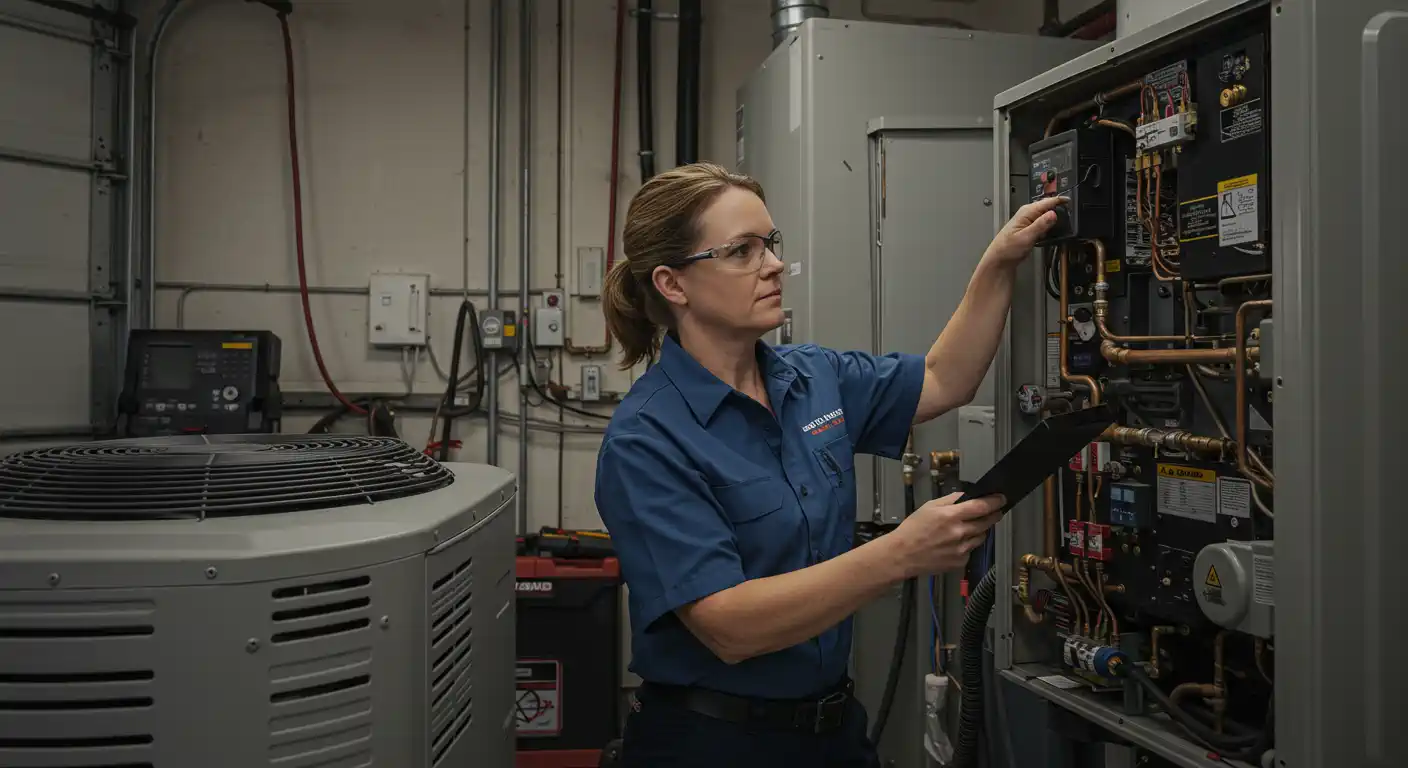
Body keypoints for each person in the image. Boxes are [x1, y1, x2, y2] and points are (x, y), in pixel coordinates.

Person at [593, 161, 1063, 767]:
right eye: (741, 251)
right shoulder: (647, 438)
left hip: (833, 732)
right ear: (673, 284)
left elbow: (946, 378)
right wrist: (900, 554)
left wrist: (1000, 260)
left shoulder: (813, 377)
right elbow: (729, 626)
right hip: (714, 743)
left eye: (771, 243)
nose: (773, 264)